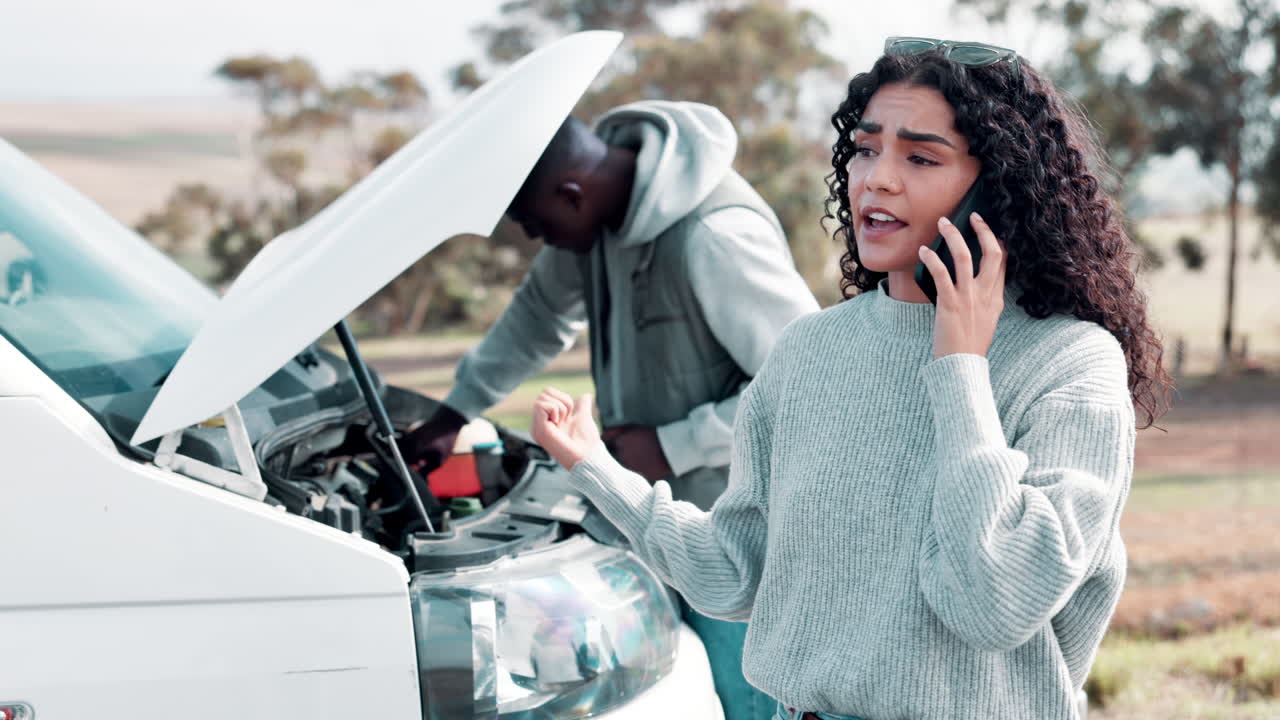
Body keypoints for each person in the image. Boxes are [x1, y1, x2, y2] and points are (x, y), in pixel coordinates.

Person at [529, 38, 1173, 720]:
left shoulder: (1070, 363)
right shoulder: (809, 350)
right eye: (866, 149)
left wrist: (960, 367)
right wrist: (595, 467)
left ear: (998, 186)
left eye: (921, 157)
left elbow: (994, 601)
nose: (877, 179)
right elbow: (736, 570)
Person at [402, 100, 819, 720]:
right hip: (654, 527)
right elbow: (536, 318)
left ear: (571, 194)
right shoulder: (596, 223)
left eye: (534, 224)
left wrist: (674, 444)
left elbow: (809, 387)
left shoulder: (715, 235)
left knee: (752, 706)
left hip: (736, 546)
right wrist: (453, 414)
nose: (535, 239)